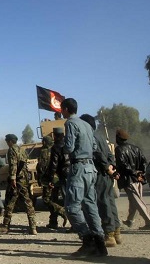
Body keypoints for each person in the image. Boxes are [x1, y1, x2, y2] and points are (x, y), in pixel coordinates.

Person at [61, 98, 107, 257]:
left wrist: (63, 147)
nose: (61, 112)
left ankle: (87, 240)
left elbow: (69, 147)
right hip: (90, 168)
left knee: (71, 207)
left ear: (66, 109)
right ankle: (100, 243)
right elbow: (94, 146)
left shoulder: (70, 123)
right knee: (90, 205)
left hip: (78, 168)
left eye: (62, 109)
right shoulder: (87, 124)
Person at [80, 114, 122, 247]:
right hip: (107, 174)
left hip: (99, 174)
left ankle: (109, 234)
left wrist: (106, 168)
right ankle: (117, 232)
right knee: (110, 202)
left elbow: (98, 154)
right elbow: (109, 154)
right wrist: (111, 167)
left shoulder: (90, 137)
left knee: (103, 203)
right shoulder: (101, 136)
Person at [0, 133, 37, 235]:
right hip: (23, 180)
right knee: (28, 203)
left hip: (16, 180)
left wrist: (13, 178)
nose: (6, 142)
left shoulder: (12, 150)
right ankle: (33, 227)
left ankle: (5, 227)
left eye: (7, 141)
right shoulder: (22, 150)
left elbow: (13, 165)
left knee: (10, 203)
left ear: (10, 141)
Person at [115, 129, 150, 230]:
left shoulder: (119, 149)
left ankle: (149, 222)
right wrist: (141, 173)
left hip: (129, 179)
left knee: (137, 201)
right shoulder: (136, 148)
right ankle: (130, 221)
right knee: (133, 200)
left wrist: (134, 172)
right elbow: (144, 162)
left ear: (118, 138)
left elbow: (123, 164)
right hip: (138, 178)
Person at [44, 127, 70, 229]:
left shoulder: (56, 147)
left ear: (55, 136)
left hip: (62, 176)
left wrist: (50, 179)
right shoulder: (69, 144)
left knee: (65, 200)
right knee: (72, 199)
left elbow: (53, 165)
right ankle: (53, 221)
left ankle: (73, 224)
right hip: (72, 174)